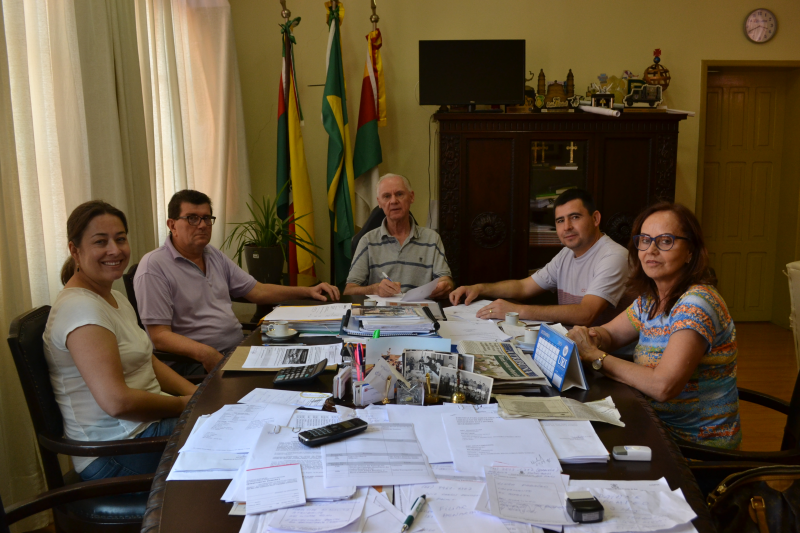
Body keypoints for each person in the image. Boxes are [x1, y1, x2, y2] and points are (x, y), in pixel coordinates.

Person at [43, 200, 198, 480]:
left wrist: (197, 395)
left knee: (234, 418)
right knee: (239, 437)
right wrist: (183, 404)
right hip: (115, 452)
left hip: (146, 430)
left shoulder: (112, 295)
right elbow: (117, 402)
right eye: (100, 242)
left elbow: (147, 361)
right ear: (75, 251)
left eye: (120, 239)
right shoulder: (81, 309)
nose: (114, 250)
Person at [567, 202, 741, 449]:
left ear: (690, 251)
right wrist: (589, 336)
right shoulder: (651, 300)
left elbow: (663, 386)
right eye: (645, 240)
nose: (651, 250)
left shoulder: (697, 304)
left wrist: (595, 356)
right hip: (653, 426)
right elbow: (611, 334)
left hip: (695, 448)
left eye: (666, 241)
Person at [134, 190, 339, 373]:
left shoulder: (212, 254)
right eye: (192, 218)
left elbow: (257, 291)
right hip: (194, 363)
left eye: (207, 218)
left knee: (312, 359)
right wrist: (206, 353)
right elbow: (159, 336)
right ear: (172, 225)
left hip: (235, 351)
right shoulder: (153, 267)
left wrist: (308, 291)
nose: (203, 225)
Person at [449, 188, 629, 326]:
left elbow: (586, 314)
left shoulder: (614, 256)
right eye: (560, 220)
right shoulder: (566, 254)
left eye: (575, 217)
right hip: (572, 345)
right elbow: (523, 287)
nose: (567, 227)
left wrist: (517, 311)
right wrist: (479, 288)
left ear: (595, 219)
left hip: (607, 355)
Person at [344, 174, 453, 298]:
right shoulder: (367, 241)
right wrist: (375, 289)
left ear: (411, 197)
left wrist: (445, 285)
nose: (393, 201)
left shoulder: (432, 238)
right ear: (379, 202)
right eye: (387, 196)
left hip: (420, 308)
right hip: (381, 309)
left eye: (399, 194)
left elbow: (446, 280)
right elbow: (349, 290)